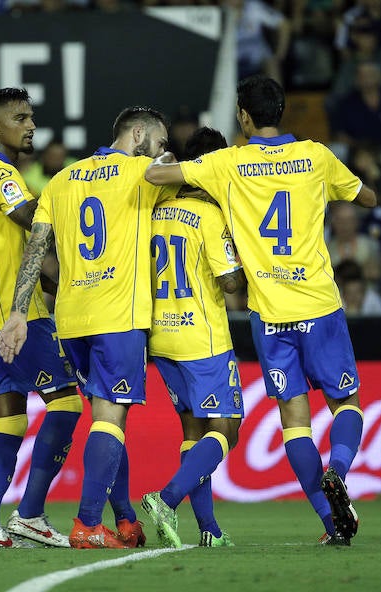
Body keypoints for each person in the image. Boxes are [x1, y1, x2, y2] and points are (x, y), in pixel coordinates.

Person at [145, 75, 378, 546]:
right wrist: (339, 193)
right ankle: (339, 470)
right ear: (282, 111)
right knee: (345, 404)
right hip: (319, 303)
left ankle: (331, 525)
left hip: (269, 315)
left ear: (243, 117)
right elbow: (366, 197)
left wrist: (174, 160)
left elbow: (155, 176)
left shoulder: (226, 163)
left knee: (295, 422)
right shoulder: (315, 156)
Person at [0, 106, 174, 549]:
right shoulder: (141, 171)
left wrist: (18, 311)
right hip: (119, 315)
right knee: (112, 420)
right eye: (160, 141)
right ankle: (88, 525)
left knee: (104, 420)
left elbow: (36, 248)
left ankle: (126, 518)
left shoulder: (61, 180)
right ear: (138, 136)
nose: (164, 150)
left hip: (72, 320)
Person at [0, 88, 83, 549]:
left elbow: (25, 249)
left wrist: (63, 284)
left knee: (9, 420)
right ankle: (30, 513)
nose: (30, 125)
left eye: (31, 116)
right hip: (15, 314)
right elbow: (36, 220)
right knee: (67, 403)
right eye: (20, 117)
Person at [140, 127, 246, 549]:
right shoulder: (209, 215)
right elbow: (231, 282)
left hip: (160, 338)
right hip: (203, 338)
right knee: (227, 428)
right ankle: (165, 499)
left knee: (192, 430)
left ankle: (210, 530)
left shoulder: (157, 209)